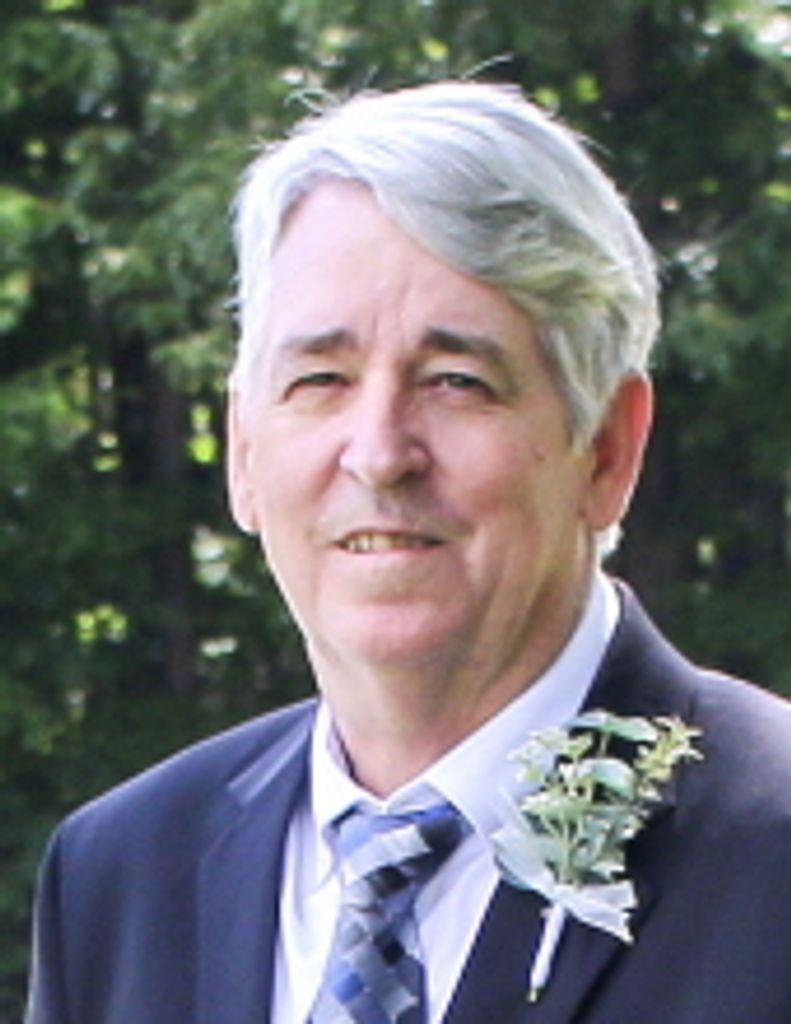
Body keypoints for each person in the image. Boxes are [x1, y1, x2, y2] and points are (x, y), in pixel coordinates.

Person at [26, 81, 791, 1024]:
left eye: (457, 381)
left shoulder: (771, 856)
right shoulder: (120, 876)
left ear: (607, 449)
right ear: (243, 450)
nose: (380, 453)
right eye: (320, 379)